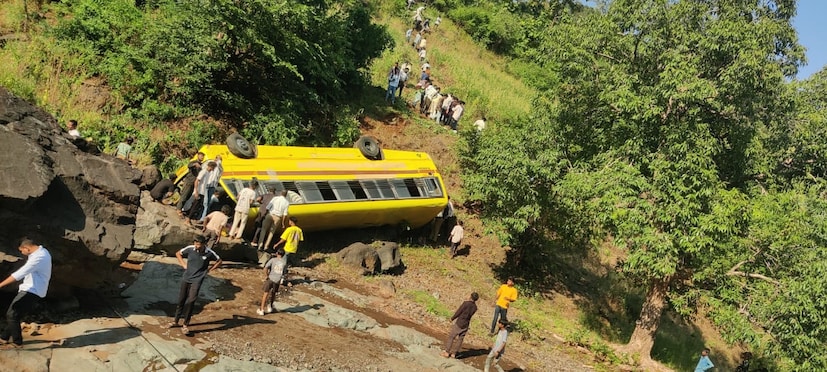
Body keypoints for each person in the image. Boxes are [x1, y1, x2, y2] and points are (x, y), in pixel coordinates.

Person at [0, 239, 51, 348]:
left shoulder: (39, 257)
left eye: (22, 251)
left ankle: (17, 342)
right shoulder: (42, 252)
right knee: (15, 314)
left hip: (32, 290)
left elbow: (20, 273)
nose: (22, 253)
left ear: (27, 248)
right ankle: (4, 337)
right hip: (34, 289)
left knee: (11, 314)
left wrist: (1, 285)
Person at [166, 235, 222, 336]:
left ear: (204, 244)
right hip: (186, 277)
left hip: (197, 279)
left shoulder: (209, 253)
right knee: (181, 299)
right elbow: (178, 253)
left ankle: (185, 324)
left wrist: (209, 270)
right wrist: (183, 264)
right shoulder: (190, 249)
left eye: (198, 244)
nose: (196, 246)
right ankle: (175, 321)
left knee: (191, 300)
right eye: (195, 243)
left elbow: (219, 261)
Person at [441, 292, 478, 359]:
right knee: (460, 339)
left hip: (460, 322)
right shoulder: (475, 308)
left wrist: (452, 318)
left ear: (470, 296)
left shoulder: (465, 303)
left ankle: (447, 352)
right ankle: (454, 354)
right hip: (466, 324)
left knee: (451, 336)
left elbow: (459, 312)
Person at [186, 160, 217, 224]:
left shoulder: (208, 173)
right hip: (199, 191)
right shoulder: (203, 172)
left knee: (197, 206)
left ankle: (190, 218)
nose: (213, 169)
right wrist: (196, 191)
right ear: (210, 166)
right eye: (213, 168)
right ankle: (188, 219)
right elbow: (197, 181)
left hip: (202, 192)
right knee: (195, 205)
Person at [258, 249, 286, 316]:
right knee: (273, 293)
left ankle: (262, 309)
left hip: (271, 278)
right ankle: (270, 306)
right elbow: (284, 272)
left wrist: (267, 275)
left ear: (277, 253)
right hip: (277, 280)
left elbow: (265, 268)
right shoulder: (284, 262)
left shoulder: (273, 260)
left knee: (265, 294)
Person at [201, 155, 223, 221]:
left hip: (212, 187)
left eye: (220, 159)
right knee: (203, 201)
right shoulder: (209, 166)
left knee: (207, 203)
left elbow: (219, 166)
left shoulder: (220, 169)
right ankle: (200, 216)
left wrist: (217, 161)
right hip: (206, 185)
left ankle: (202, 218)